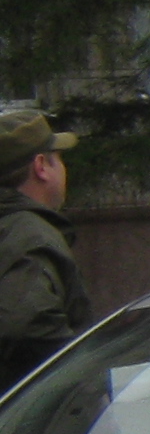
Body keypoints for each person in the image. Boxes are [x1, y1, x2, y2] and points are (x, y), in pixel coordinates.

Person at [0, 108, 86, 390]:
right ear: (41, 166)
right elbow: (24, 325)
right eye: (58, 158)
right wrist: (77, 377)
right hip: (31, 427)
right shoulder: (30, 235)